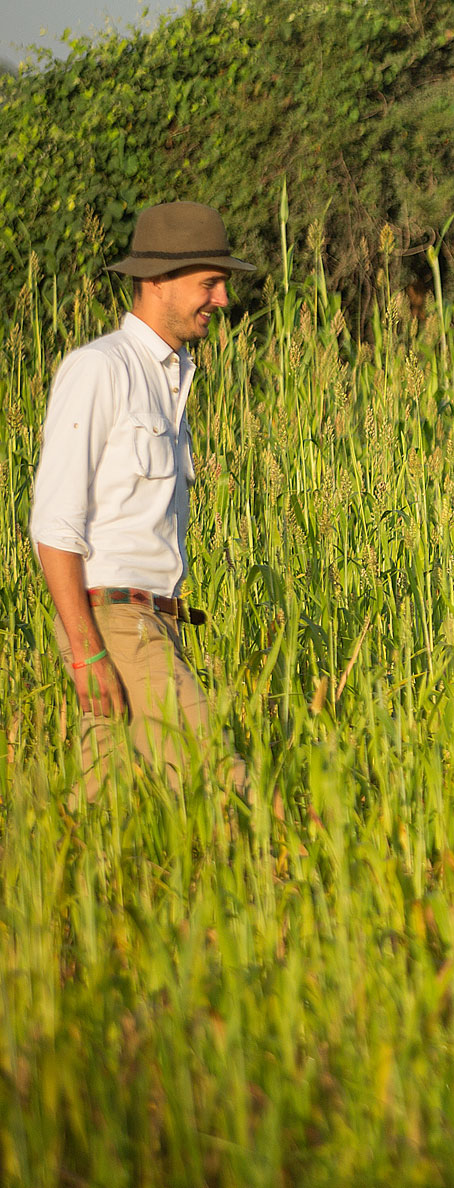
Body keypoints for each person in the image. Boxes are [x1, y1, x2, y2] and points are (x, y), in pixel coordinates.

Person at [30, 201, 255, 801]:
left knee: (107, 807)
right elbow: (53, 524)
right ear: (156, 282)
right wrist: (86, 650)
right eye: (209, 283)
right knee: (222, 782)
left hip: (151, 621)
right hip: (116, 620)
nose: (223, 301)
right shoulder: (100, 369)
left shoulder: (172, 377)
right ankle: (310, 875)